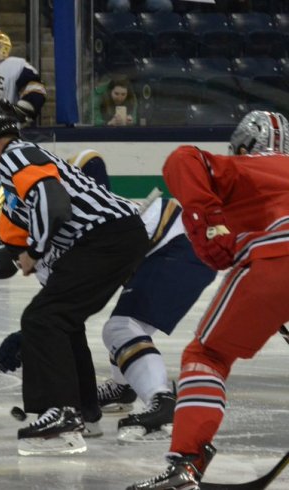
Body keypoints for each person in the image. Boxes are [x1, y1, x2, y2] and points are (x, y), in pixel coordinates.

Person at [0, 100, 148, 455]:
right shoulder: (20, 179)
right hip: (119, 236)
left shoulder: (14, 155)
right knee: (63, 321)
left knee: (43, 318)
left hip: (106, 236)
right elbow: (9, 252)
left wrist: (35, 250)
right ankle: (85, 415)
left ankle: (59, 417)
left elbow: (52, 203)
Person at [0, 150, 216, 442]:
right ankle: (124, 385)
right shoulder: (43, 250)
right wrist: (30, 338)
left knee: (121, 327)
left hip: (177, 240)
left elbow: (89, 158)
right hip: (165, 247)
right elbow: (66, 318)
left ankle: (163, 400)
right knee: (123, 324)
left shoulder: (59, 213)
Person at [127, 111, 289, 489]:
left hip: (276, 258)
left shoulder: (240, 166)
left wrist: (211, 222)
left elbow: (181, 159)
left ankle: (187, 462)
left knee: (207, 356)